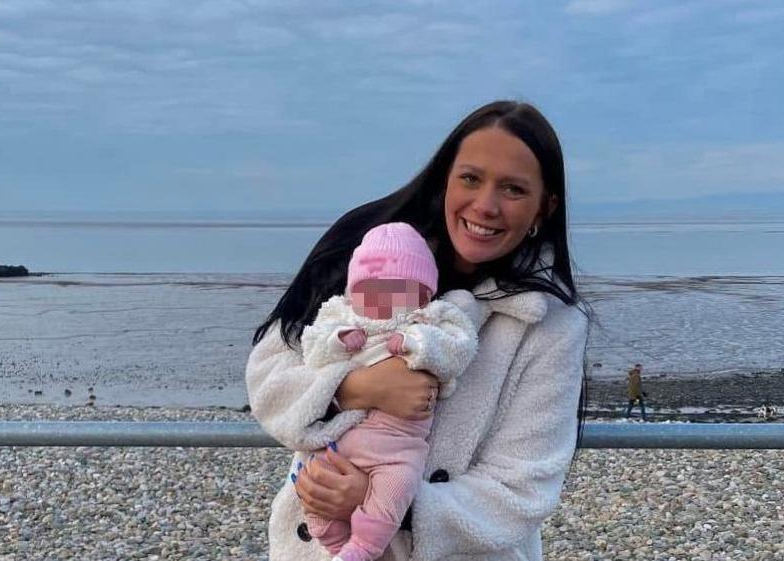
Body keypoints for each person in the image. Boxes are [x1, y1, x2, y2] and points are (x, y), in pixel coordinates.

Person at [246, 100, 591, 561]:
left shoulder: (551, 322)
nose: (485, 206)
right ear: (446, 177)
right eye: (471, 178)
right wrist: (352, 389)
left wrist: (385, 502)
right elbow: (268, 375)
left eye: (512, 189)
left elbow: (523, 487)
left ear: (544, 207)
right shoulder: (364, 245)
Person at [298, 221, 479, 561]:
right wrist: (339, 341)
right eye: (371, 290)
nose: (383, 301)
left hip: (399, 446)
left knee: (394, 489)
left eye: (397, 290)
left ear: (424, 294)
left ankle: (364, 548)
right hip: (343, 439)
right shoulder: (343, 316)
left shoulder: (429, 320)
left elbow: (459, 348)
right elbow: (312, 347)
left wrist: (416, 343)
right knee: (314, 490)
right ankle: (337, 546)